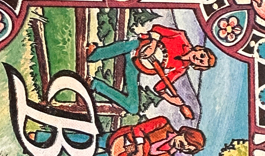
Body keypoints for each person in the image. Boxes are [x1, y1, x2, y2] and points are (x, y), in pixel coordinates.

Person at [87, 25, 216, 118]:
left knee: (133, 107)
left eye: (201, 62)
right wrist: (153, 45)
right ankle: (94, 54)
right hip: (137, 46)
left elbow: (159, 87)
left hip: (136, 65)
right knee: (131, 44)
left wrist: (170, 99)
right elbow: (157, 28)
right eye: (202, 55)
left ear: (198, 66)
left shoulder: (180, 69)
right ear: (200, 49)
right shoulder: (180, 37)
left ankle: (95, 84)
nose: (198, 58)